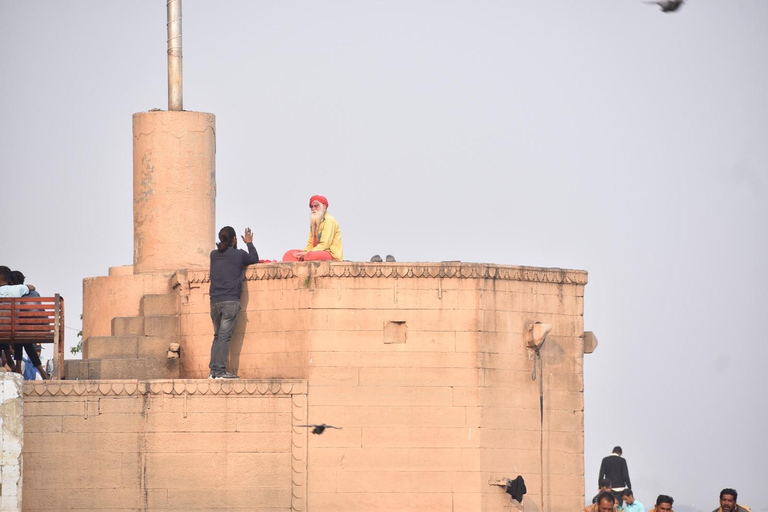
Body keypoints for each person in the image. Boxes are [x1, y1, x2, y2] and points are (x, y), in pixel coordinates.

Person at [208, 226, 259, 379]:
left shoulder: (213, 255)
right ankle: (221, 372)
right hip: (230, 301)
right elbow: (254, 258)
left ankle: (214, 372)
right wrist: (249, 243)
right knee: (224, 337)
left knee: (217, 336)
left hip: (214, 302)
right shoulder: (239, 255)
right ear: (235, 239)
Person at [9, 270, 50, 380]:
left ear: (11, 282)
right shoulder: (34, 293)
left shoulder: (14, 293)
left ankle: (18, 369)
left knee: (19, 335)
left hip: (20, 329)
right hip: (40, 329)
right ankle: (42, 372)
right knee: (23, 339)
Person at [282, 195, 343, 262]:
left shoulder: (330, 220)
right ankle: (305, 257)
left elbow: (325, 245)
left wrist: (307, 254)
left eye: (316, 206)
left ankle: (306, 257)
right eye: (312, 207)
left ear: (324, 207)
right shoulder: (314, 222)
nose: (313, 209)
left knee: (310, 256)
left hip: (330, 254)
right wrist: (302, 253)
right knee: (289, 255)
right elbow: (310, 243)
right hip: (313, 252)